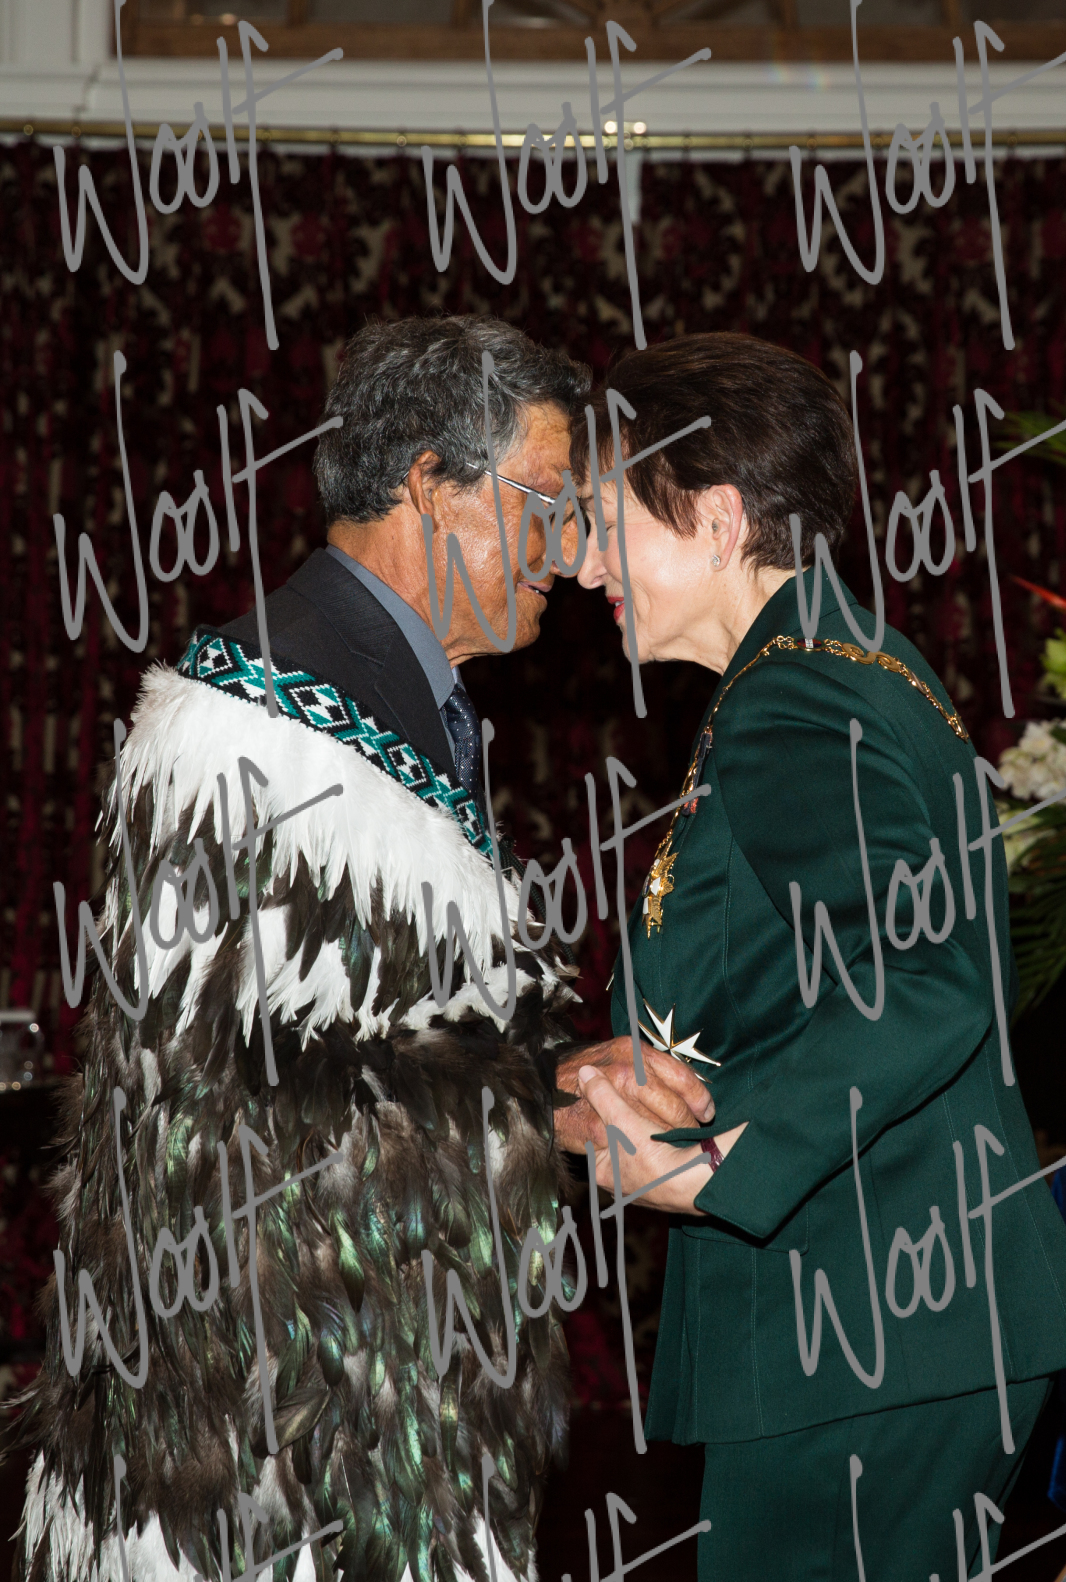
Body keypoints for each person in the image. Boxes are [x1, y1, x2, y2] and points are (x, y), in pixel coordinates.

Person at [14, 315, 709, 1582]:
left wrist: (560, 1069)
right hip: (266, 1442)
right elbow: (219, 1117)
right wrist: (538, 1099)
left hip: (366, 1403)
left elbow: (374, 1025)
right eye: (545, 503)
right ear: (433, 486)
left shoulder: (387, 703)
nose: (570, 550)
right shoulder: (248, 732)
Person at [555, 331, 1066, 1582]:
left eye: (605, 521)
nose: (580, 562)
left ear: (716, 516)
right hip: (896, 1316)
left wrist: (722, 1164)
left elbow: (926, 980)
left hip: (860, 1327)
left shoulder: (794, 697)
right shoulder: (841, 664)